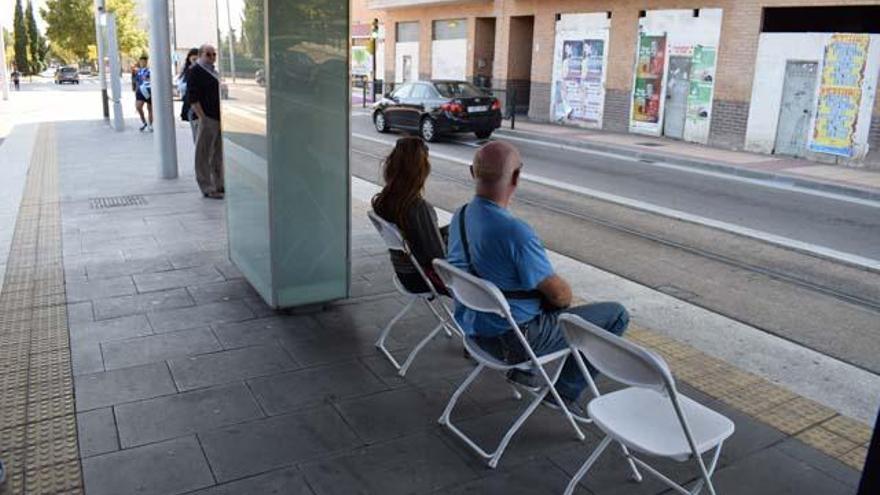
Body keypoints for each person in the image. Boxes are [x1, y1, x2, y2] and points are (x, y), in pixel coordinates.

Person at [446, 141, 630, 416]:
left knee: (525, 297)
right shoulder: (515, 232)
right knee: (615, 315)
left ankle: (526, 371)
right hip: (512, 342)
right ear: (517, 177)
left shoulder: (460, 216)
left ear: (473, 172)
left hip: (472, 332)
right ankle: (564, 392)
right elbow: (560, 296)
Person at [372, 136, 448, 295]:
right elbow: (438, 258)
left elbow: (416, 237)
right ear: (421, 171)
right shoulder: (418, 208)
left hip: (405, 274)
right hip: (424, 278)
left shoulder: (383, 201)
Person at [187, 44, 224, 199]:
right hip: (207, 117)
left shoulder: (213, 71)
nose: (212, 57)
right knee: (203, 153)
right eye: (208, 54)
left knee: (217, 153)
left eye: (214, 54)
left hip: (218, 117)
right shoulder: (196, 71)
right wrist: (203, 118)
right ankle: (207, 187)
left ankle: (219, 184)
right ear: (201, 55)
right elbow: (193, 98)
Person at [178, 48, 200, 142]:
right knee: (197, 135)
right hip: (192, 106)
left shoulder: (204, 70)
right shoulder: (187, 72)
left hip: (203, 106)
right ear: (189, 59)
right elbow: (182, 88)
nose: (195, 61)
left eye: (197, 59)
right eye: (193, 59)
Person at [133, 56, 153, 132]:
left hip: (149, 91)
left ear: (146, 62)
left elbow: (152, 80)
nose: (142, 63)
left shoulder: (149, 71)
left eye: (144, 62)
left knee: (150, 109)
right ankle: (144, 123)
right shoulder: (138, 71)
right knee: (138, 107)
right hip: (140, 91)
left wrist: (148, 79)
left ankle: (150, 125)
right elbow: (136, 82)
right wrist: (135, 91)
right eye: (141, 62)